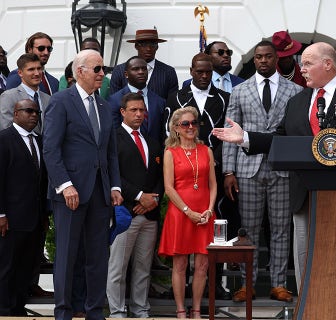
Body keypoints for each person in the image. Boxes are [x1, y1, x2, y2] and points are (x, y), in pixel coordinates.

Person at [213, 42, 336, 320]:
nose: (302, 69)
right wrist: (246, 138)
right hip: (307, 198)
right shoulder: (297, 101)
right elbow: (282, 139)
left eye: (308, 63)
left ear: (328, 64)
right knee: (306, 266)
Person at [43, 49, 123, 320]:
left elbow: (109, 151)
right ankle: (63, 313)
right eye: (97, 69)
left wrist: (115, 186)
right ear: (80, 72)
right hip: (70, 194)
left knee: (98, 258)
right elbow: (51, 149)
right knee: (66, 257)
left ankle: (94, 312)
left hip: (100, 193)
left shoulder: (104, 105)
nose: (103, 74)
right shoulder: (61, 101)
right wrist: (65, 185)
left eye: (103, 69)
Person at [221, 41, 302, 303]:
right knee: (249, 229)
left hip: (283, 169)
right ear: (254, 60)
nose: (263, 61)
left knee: (281, 229)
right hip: (247, 169)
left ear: (276, 58)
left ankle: (278, 284)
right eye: (258, 57)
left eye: (268, 56)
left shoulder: (295, 91)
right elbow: (230, 132)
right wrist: (228, 171)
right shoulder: (240, 90)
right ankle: (248, 284)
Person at [164, 52, 232, 299]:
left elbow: (230, 136)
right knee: (182, 255)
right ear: (191, 71)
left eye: (208, 72)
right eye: (199, 71)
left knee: (215, 234)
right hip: (182, 168)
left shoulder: (224, 98)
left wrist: (228, 170)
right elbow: (167, 131)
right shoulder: (176, 97)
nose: (204, 76)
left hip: (213, 168)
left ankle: (215, 287)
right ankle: (181, 297)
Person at [106, 93, 164, 318]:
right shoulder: (113, 138)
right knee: (118, 267)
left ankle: (141, 309)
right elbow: (114, 174)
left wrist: (153, 198)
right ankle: (117, 310)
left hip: (149, 215)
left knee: (143, 267)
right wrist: (140, 196)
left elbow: (160, 176)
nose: (139, 114)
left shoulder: (152, 140)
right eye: (133, 110)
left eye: (142, 110)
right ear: (122, 111)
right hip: (124, 214)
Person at [158, 106, 216, 319]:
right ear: (176, 128)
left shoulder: (206, 150)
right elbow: (168, 188)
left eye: (194, 123)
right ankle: (181, 310)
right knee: (180, 264)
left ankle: (197, 310)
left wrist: (209, 209)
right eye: (185, 124)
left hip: (205, 214)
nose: (191, 127)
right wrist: (187, 211)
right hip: (180, 213)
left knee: (202, 265)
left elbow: (213, 184)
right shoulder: (170, 153)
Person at [0, 99, 47, 315]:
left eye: (36, 112)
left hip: (34, 220)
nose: (34, 115)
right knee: (6, 268)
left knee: (25, 269)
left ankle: (18, 310)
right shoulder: (4, 139)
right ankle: (5, 311)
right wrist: (1, 214)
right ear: (15, 114)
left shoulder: (39, 140)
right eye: (28, 111)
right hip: (10, 219)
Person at [109, 56, 166, 144]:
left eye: (144, 69)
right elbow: (114, 133)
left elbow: (162, 134)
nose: (141, 72)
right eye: (135, 69)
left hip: (153, 154)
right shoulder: (114, 100)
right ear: (126, 74)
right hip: (126, 154)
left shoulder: (160, 101)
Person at [110, 29, 179, 100]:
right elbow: (114, 100)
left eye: (153, 44)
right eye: (144, 44)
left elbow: (172, 103)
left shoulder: (168, 72)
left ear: (157, 47)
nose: (148, 48)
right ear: (136, 46)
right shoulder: (119, 70)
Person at [0, 53, 49, 133]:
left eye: (39, 68)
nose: (37, 73)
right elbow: (6, 130)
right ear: (20, 73)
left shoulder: (48, 99)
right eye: (31, 69)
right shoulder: (8, 97)